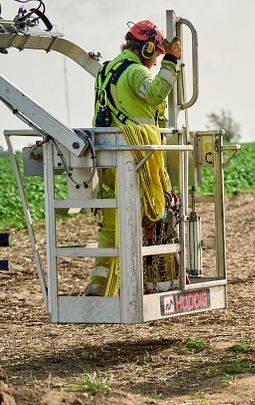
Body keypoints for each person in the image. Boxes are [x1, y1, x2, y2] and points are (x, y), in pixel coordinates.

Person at [84, 20, 182, 296]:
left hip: (107, 156)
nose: (156, 61)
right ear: (148, 47)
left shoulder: (106, 71)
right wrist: (172, 61)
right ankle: (148, 285)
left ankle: (99, 286)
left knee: (112, 223)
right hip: (136, 158)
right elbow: (154, 94)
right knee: (154, 215)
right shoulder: (136, 71)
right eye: (157, 54)